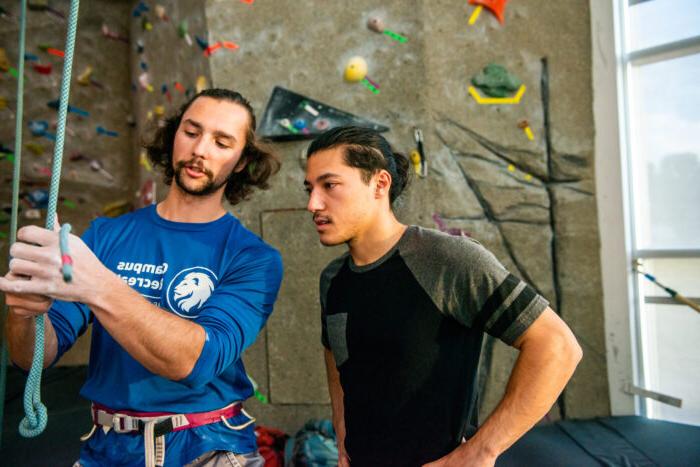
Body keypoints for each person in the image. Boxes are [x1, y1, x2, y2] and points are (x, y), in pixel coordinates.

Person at [1, 88, 283, 467]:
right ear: (173, 137)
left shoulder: (253, 258)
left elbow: (194, 362)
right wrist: (24, 312)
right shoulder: (105, 237)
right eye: (191, 131)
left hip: (207, 447)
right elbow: (34, 357)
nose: (200, 149)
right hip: (107, 448)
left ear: (242, 161)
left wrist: (96, 283)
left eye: (221, 141)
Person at [303, 126, 583, 467]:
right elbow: (336, 357)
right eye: (310, 188)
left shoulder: (448, 259)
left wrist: (479, 452)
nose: (312, 204)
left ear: (379, 184)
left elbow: (557, 346)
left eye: (329, 185)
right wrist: (343, 437)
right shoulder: (332, 279)